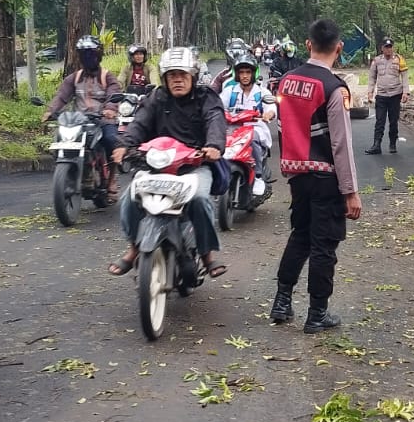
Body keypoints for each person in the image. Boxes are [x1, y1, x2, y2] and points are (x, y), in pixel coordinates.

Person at [270, 18, 362, 333]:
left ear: (308, 45)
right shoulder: (333, 88)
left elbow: (282, 127)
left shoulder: (285, 82)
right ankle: (317, 313)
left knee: (300, 235)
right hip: (325, 178)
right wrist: (350, 191)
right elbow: (341, 144)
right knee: (324, 244)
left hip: (297, 176)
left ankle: (282, 302)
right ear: (339, 48)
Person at [109, 46, 228, 279]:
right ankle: (134, 247)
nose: (177, 80)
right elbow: (140, 123)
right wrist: (124, 144)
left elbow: (215, 120)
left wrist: (213, 146)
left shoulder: (206, 97)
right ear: (164, 78)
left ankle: (207, 255)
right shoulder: (157, 97)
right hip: (157, 165)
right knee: (130, 197)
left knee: (200, 200)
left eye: (182, 75)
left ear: (193, 76)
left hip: (194, 165)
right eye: (172, 76)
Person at [42, 35, 124, 168]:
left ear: (98, 55)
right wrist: (51, 111)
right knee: (60, 139)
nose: (88, 58)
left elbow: (114, 92)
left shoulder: (107, 76)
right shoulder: (74, 78)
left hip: (102, 119)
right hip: (79, 121)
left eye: (91, 54)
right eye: (84, 54)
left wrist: (110, 108)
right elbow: (62, 96)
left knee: (111, 139)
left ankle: (112, 176)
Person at [220, 57, 274, 197]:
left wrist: (269, 114)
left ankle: (258, 176)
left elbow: (271, 107)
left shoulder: (262, 92)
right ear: (237, 74)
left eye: (248, 72)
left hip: (255, 128)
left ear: (253, 74)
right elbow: (218, 106)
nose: (244, 75)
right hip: (232, 129)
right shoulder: (229, 91)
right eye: (241, 72)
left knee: (253, 138)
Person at [364, 38, 409, 154]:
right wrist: (370, 91)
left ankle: (392, 143)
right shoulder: (377, 60)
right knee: (380, 121)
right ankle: (376, 145)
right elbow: (372, 77)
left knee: (393, 121)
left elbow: (404, 77)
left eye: (390, 47)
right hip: (382, 95)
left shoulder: (399, 59)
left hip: (395, 95)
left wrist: (405, 92)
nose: (389, 49)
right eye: (386, 47)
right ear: (382, 48)